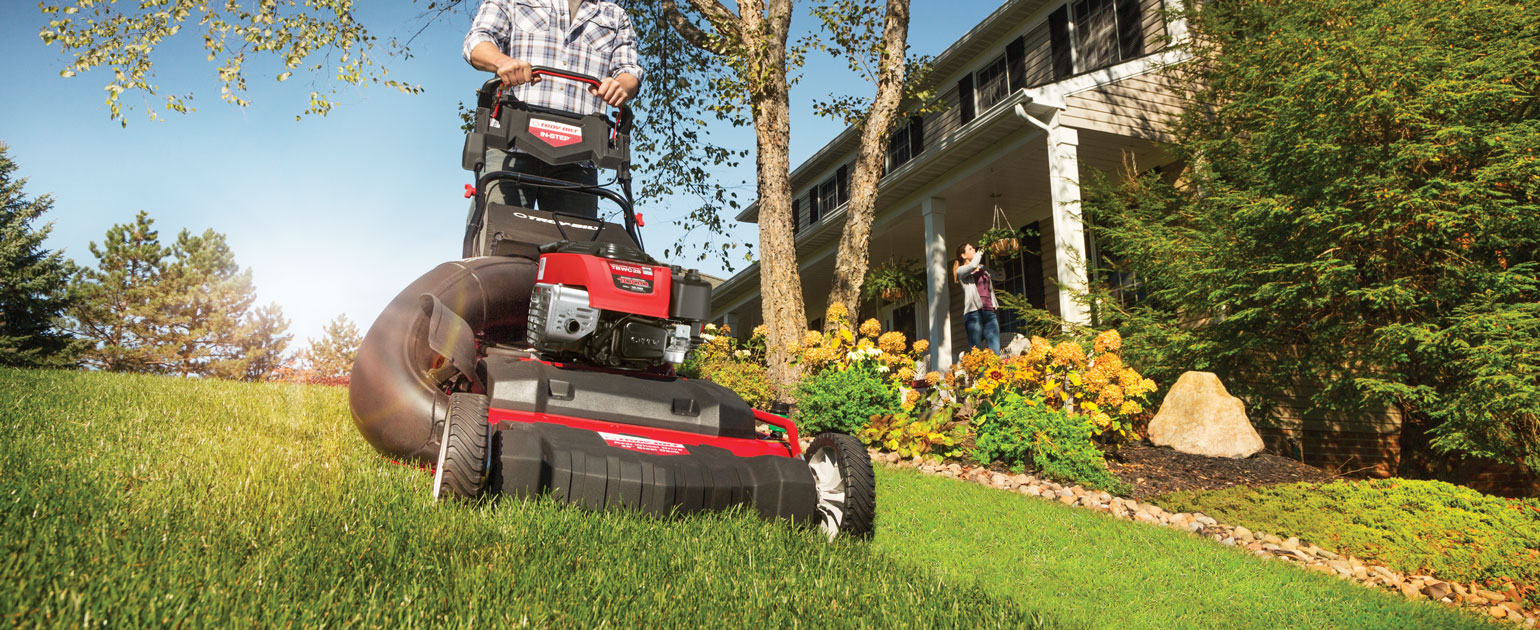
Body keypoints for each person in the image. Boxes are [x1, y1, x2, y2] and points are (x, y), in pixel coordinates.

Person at [463, 0, 645, 218]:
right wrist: (502, 62)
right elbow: (478, 40)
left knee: (577, 245)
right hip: (510, 149)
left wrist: (620, 85)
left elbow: (628, 70)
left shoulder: (614, 15)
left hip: (579, 157)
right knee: (496, 235)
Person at [953, 242, 1000, 353]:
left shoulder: (982, 268)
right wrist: (982, 249)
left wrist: (997, 260)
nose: (974, 249)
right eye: (970, 249)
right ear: (963, 255)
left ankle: (994, 371)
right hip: (974, 314)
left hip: (989, 311)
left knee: (995, 349)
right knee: (976, 351)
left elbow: (1000, 276)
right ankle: (978, 371)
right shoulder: (961, 271)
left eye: (974, 248)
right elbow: (972, 266)